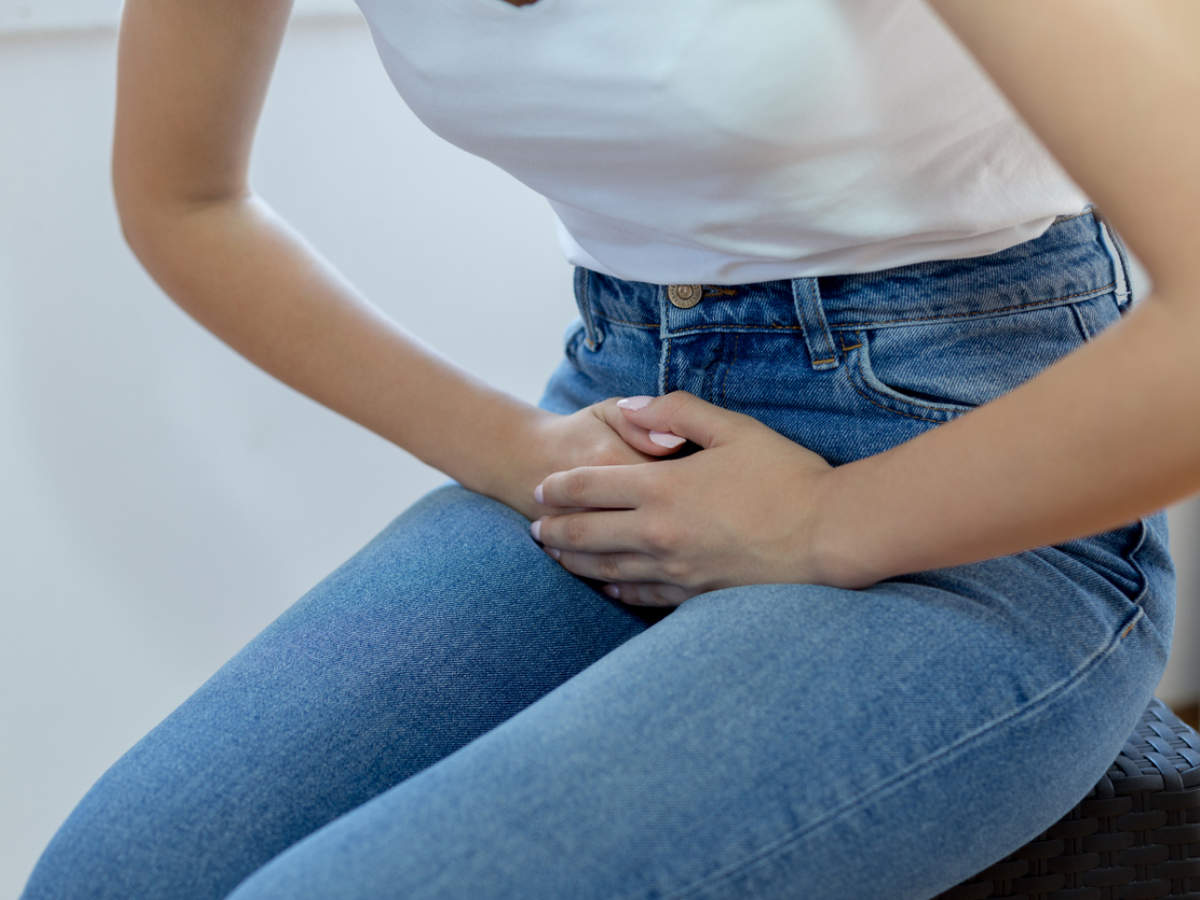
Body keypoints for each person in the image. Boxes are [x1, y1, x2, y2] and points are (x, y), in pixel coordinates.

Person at [20, 0, 1196, 897]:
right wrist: (513, 444)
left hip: (977, 452)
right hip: (627, 403)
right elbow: (183, 198)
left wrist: (824, 526)